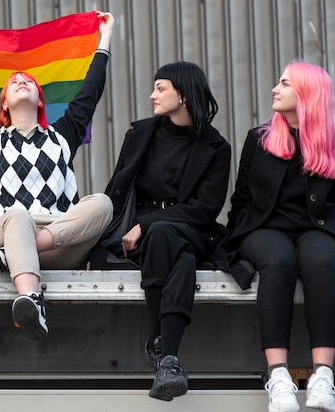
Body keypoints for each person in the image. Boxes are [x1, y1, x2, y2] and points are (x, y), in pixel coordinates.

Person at [0, 12, 114, 340]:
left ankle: (20, 255)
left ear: (40, 99)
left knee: (102, 204)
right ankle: (31, 298)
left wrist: (105, 36)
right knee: (17, 214)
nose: (21, 80)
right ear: (3, 105)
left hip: (58, 243)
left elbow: (92, 89)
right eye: (13, 81)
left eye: (28, 80)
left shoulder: (64, 134)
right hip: (1, 235)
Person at [93, 61, 231, 401]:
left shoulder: (216, 147)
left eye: (161, 88)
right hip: (138, 236)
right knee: (179, 258)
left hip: (189, 228)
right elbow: (117, 190)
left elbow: (205, 209)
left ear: (183, 95)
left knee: (166, 236)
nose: (152, 95)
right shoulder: (140, 135)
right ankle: (169, 358)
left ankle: (155, 338)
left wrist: (147, 224)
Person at [225, 60, 335, 412]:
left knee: (320, 260)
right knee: (279, 261)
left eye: (284, 83)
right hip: (265, 230)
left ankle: (323, 374)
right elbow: (242, 200)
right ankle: (278, 375)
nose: (274, 89)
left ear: (307, 94)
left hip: (320, 229)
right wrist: (231, 248)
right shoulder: (259, 139)